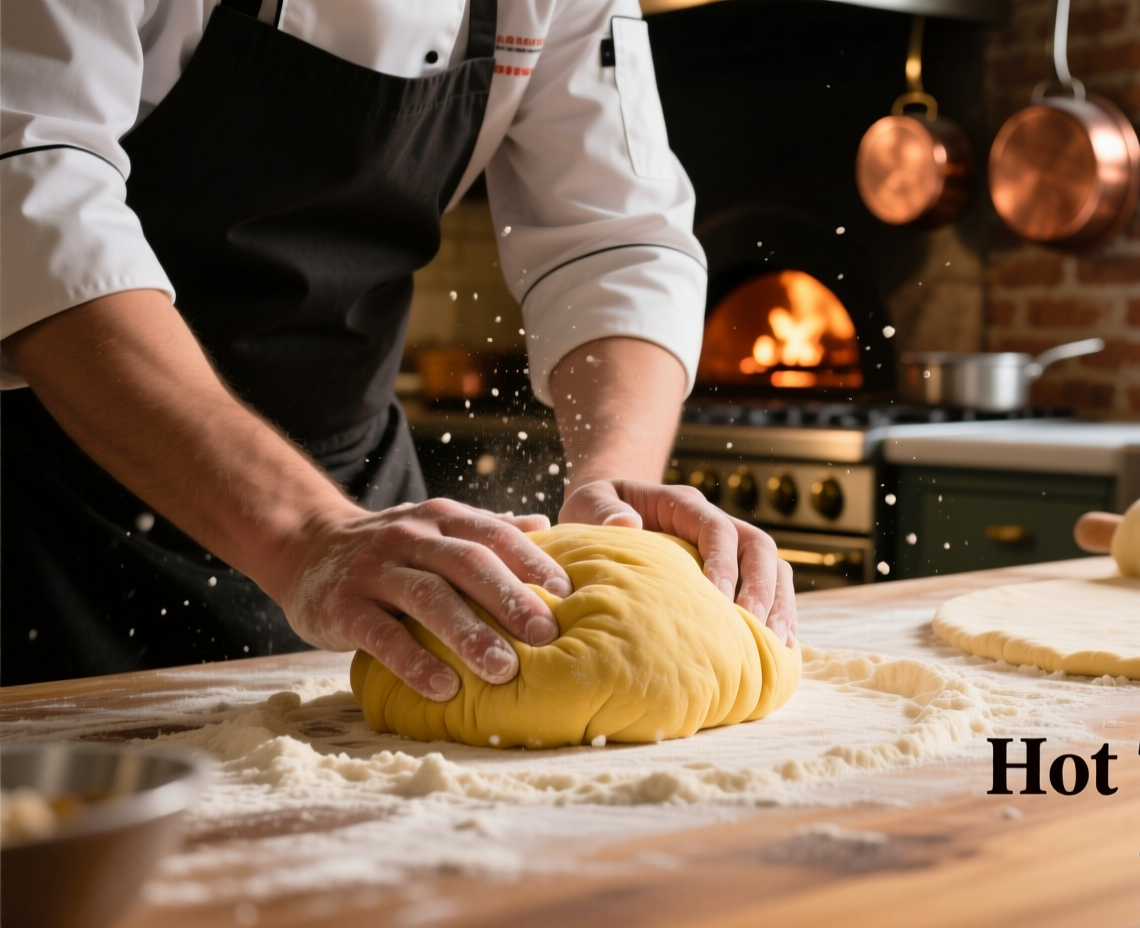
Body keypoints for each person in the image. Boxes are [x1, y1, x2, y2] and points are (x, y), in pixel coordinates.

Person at [0, 0, 795, 693]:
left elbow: (616, 240)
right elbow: (33, 196)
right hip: (55, 498)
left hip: (365, 511)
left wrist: (611, 493)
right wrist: (302, 534)